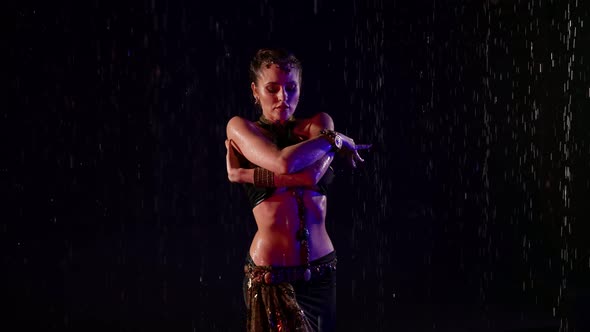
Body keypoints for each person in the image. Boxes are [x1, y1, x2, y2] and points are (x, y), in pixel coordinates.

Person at [225, 48, 370, 332]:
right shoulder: (240, 128)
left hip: (321, 273)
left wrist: (243, 174)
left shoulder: (320, 124)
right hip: (271, 278)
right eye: (272, 88)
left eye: (291, 88)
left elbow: (311, 175)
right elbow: (283, 162)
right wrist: (334, 141)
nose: (283, 97)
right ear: (255, 91)